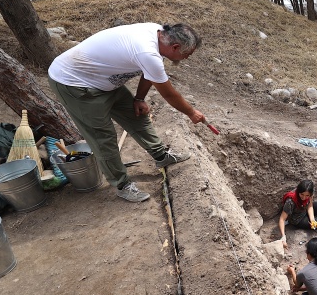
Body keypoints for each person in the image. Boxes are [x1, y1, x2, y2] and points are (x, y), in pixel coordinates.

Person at [48, 23, 206, 203]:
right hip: (74, 82)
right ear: (175, 47)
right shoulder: (147, 51)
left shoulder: (158, 34)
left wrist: (139, 98)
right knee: (103, 138)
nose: (186, 58)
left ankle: (161, 156)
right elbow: (169, 94)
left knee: (135, 114)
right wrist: (191, 112)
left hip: (102, 78)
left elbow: (150, 73)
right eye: (187, 54)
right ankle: (122, 185)